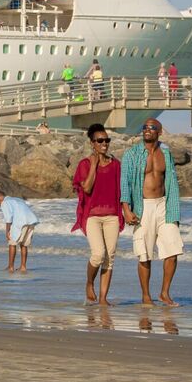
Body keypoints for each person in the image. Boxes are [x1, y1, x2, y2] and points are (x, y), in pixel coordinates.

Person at [121, 118, 183, 306]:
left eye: (152, 128)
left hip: (164, 205)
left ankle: (164, 293)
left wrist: (175, 211)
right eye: (145, 127)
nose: (147, 130)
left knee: (173, 250)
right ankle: (146, 296)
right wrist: (126, 209)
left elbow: (171, 182)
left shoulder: (166, 153)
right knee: (144, 254)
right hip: (143, 207)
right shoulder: (132, 154)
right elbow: (125, 183)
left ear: (159, 132)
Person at [72, 123, 123, 305]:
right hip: (92, 216)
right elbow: (86, 188)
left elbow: (122, 191)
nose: (104, 143)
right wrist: (94, 165)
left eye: (106, 140)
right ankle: (89, 283)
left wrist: (127, 210)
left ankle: (103, 299)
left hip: (112, 217)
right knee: (98, 254)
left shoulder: (116, 164)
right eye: (100, 140)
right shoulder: (85, 164)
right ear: (92, 143)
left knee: (110, 258)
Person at [0, 190, 39, 273]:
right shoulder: (17, 199)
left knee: (12, 243)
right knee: (24, 245)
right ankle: (23, 266)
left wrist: (7, 231)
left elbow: (8, 218)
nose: (0, 206)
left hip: (21, 222)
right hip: (31, 221)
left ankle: (11, 267)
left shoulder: (5, 202)